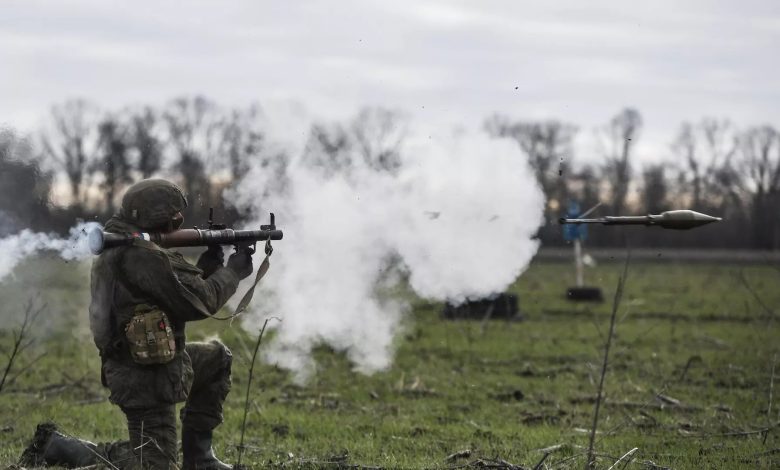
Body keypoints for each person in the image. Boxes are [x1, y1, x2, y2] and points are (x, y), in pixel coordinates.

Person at [20, 179, 254, 469]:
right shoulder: (138, 254)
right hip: (144, 378)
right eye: (172, 216)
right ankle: (58, 447)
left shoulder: (128, 241)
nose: (177, 222)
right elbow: (198, 301)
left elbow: (170, 293)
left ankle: (200, 459)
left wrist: (208, 266)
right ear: (153, 216)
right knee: (154, 463)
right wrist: (233, 273)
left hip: (156, 364)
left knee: (217, 359)